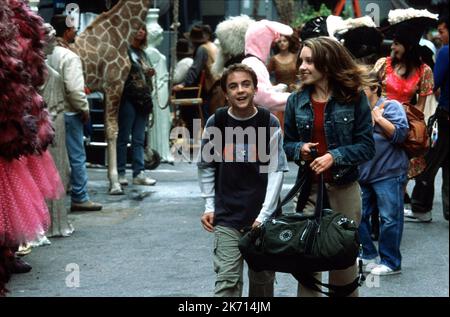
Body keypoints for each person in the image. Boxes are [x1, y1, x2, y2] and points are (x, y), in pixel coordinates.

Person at [283, 37, 375, 296]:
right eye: (301, 60)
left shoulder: (353, 98)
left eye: (309, 61)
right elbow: (287, 143)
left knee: (342, 263)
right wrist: (298, 149)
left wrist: (335, 156)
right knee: (307, 262)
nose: (302, 66)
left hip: (344, 189)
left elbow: (367, 146)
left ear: (327, 62)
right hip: (308, 191)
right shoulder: (296, 101)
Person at [198, 64, 289, 297]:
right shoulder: (216, 122)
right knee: (227, 283)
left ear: (255, 89)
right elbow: (206, 167)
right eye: (233, 86)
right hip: (227, 216)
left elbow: (276, 171)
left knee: (262, 284)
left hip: (263, 219)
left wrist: (264, 215)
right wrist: (210, 206)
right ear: (225, 93)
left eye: (246, 84)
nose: (240, 90)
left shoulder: (269, 122)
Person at [1, 0, 64, 295]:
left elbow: (34, 72)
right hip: (12, 116)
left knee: (14, 189)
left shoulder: (21, 19)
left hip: (16, 121)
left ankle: (8, 253)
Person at [48, 15, 102, 211]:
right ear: (66, 31)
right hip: (69, 113)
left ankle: (52, 197)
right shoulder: (69, 57)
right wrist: (84, 109)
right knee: (77, 156)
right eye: (74, 29)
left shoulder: (44, 54)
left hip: (47, 111)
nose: (76, 32)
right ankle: (80, 196)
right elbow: (74, 89)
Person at [358, 71, 409, 275]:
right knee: (358, 215)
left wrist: (378, 118)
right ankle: (368, 254)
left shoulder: (391, 106)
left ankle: (391, 261)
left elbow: (400, 134)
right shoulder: (357, 110)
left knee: (389, 218)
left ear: (374, 88)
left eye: (361, 87)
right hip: (363, 173)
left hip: (389, 172)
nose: (357, 91)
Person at [410, 14, 449, 222]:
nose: (440, 36)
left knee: (427, 162)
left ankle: (421, 207)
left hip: (445, 118)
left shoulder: (445, 52)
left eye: (442, 32)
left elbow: (435, 82)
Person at [117, 25, 157, 187]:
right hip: (128, 96)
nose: (141, 31)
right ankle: (120, 172)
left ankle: (138, 172)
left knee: (139, 138)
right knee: (123, 137)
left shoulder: (143, 53)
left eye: (143, 29)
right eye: (138, 28)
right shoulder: (125, 50)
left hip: (143, 98)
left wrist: (148, 73)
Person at [145, 12, 174, 164]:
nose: (162, 39)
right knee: (161, 120)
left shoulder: (149, 52)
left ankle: (161, 150)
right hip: (159, 88)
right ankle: (160, 151)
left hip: (160, 88)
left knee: (163, 120)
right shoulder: (152, 52)